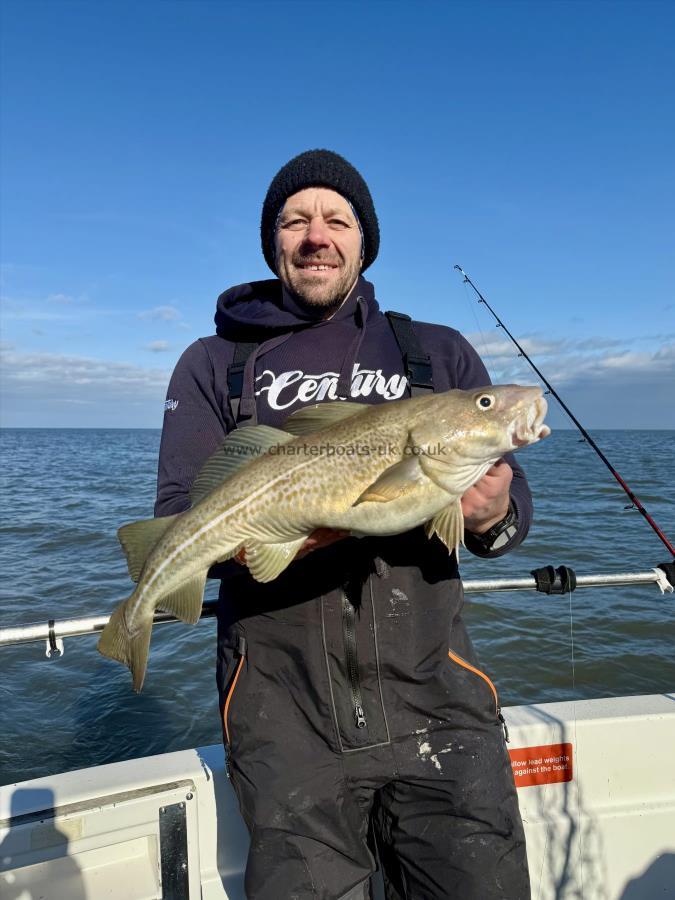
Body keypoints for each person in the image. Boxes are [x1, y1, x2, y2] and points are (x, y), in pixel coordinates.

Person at [155, 150, 532, 900]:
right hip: (281, 713)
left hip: (438, 698)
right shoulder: (213, 362)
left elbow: (507, 513)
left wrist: (491, 513)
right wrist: (284, 531)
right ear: (273, 242)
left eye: (336, 219)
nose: (315, 235)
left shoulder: (438, 352)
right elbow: (177, 515)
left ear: (365, 240)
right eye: (295, 220)